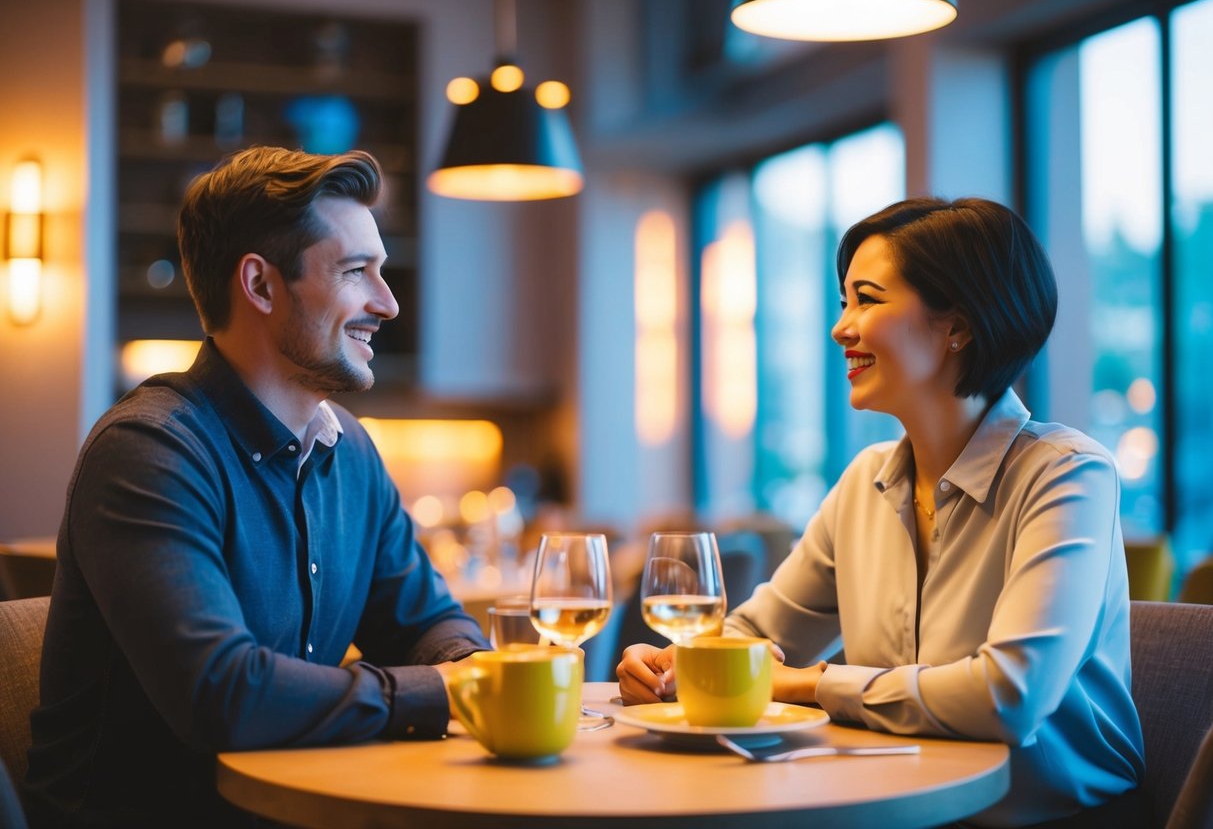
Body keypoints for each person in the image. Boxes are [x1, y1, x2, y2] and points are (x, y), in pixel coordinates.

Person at [618, 197, 1146, 827]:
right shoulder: (866, 480)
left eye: (867, 300)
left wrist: (808, 685)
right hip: (892, 802)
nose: (842, 328)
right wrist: (680, 666)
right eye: (844, 303)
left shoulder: (1067, 474)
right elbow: (758, 638)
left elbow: (1011, 696)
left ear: (958, 327)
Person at [24, 147, 490, 828]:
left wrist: (476, 676)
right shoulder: (149, 452)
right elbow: (221, 694)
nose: (386, 303)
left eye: (381, 272)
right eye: (356, 271)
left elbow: (426, 623)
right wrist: (435, 695)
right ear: (261, 285)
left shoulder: (352, 454)